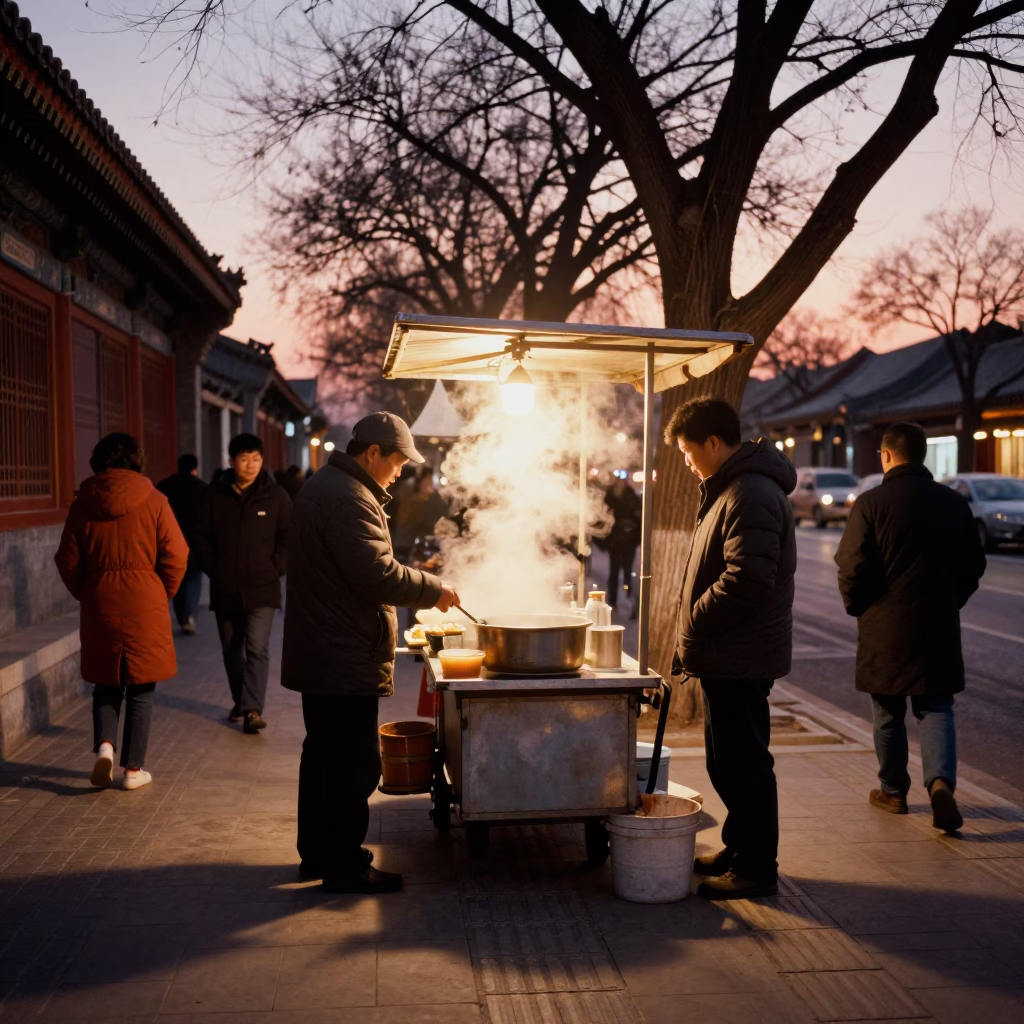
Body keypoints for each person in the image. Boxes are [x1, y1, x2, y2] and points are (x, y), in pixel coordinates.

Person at [282, 411, 459, 894]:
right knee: (351, 761)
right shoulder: (347, 496)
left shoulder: (335, 487)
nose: (401, 471)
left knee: (323, 754)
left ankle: (318, 853)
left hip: (327, 647)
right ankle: (344, 865)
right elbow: (377, 575)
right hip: (341, 651)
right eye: (398, 461)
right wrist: (433, 588)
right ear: (373, 453)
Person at [666, 398, 796, 900]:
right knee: (726, 760)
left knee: (745, 763)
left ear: (713, 443)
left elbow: (747, 579)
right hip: (728, 651)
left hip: (741, 653)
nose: (686, 461)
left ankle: (757, 868)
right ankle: (738, 846)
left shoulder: (751, 492)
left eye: (687, 450)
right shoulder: (730, 488)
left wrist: (694, 624)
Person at [835, 422, 985, 833]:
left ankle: (893, 791)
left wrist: (859, 606)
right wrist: (951, 600)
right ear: (922, 456)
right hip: (937, 623)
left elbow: (851, 566)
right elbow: (974, 565)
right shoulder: (953, 504)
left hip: (885, 627)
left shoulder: (870, 504)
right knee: (936, 707)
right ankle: (939, 783)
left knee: (887, 712)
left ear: (885, 455)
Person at [54, 433, 188, 791]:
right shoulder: (156, 500)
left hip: (100, 600)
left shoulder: (83, 504)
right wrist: (162, 592)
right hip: (146, 599)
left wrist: (87, 592)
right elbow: (177, 554)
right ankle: (132, 770)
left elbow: (66, 560)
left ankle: (105, 748)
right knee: (141, 689)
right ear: (136, 461)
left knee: (106, 683)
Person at [193, 433, 292, 734]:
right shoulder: (214, 495)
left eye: (256, 459)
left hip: (263, 588)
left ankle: (252, 709)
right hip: (226, 588)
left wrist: (276, 567)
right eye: (244, 459)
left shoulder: (275, 496)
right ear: (232, 461)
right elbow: (199, 537)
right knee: (230, 649)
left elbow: (290, 536)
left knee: (258, 647)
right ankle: (240, 700)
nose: (251, 465)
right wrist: (215, 570)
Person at [157, 453, 209, 635]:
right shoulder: (202, 488)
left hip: (170, 539)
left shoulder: (164, 486)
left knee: (177, 579)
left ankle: (182, 616)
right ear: (195, 468)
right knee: (194, 578)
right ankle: (189, 614)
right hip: (196, 541)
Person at [602, 477, 642, 612]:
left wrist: (635, 535)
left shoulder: (631, 496)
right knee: (613, 572)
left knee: (627, 573)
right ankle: (612, 602)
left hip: (628, 542)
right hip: (615, 543)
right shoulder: (609, 497)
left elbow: (639, 517)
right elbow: (603, 518)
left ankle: (629, 599)